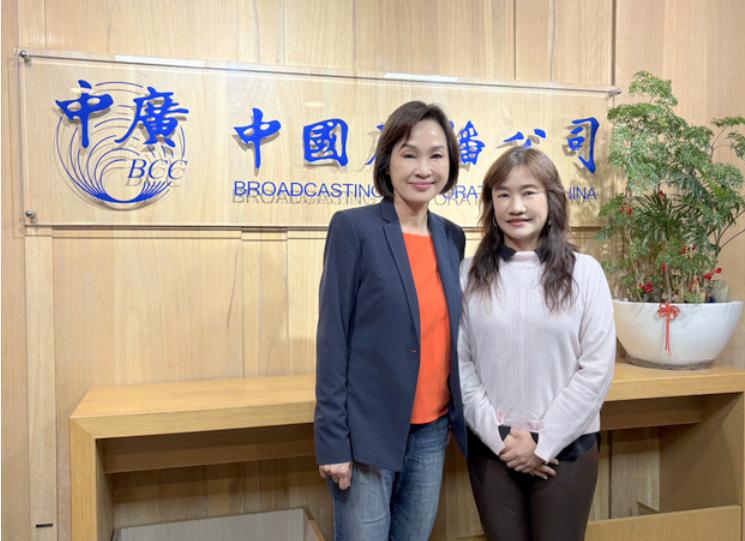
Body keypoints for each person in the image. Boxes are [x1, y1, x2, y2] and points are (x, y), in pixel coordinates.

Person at [314, 101, 467, 541]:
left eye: (436, 155)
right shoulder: (354, 228)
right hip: (367, 432)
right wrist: (333, 441)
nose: (423, 169)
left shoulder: (451, 236)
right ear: (387, 161)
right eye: (409, 154)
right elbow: (333, 337)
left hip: (432, 431)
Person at [458, 147, 615, 541]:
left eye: (529, 192)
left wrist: (543, 442)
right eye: (503, 194)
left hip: (567, 448)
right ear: (491, 203)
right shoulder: (468, 274)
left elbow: (596, 369)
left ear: (551, 199)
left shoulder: (585, 273)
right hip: (494, 448)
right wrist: (501, 439)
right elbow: (460, 366)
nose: (516, 206)